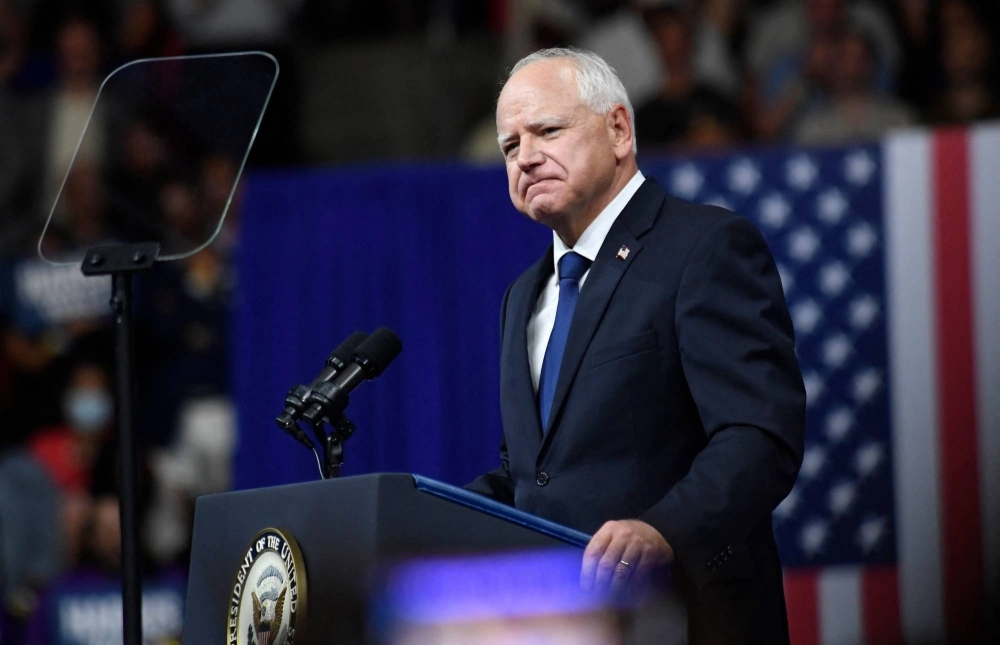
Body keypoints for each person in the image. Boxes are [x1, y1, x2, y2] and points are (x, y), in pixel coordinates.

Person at [466, 47, 805, 644]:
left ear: (618, 129)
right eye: (510, 146)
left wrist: (663, 530)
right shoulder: (522, 296)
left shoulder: (704, 247)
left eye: (547, 130)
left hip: (689, 617)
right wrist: (418, 509)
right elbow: (535, 472)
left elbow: (758, 434)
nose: (526, 157)